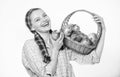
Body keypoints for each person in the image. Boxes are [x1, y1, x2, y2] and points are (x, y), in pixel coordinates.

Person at [22, 8, 106, 77]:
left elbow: (94, 58)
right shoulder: (30, 45)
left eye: (44, 15)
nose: (44, 19)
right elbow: (45, 75)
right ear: (32, 28)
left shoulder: (61, 40)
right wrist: (55, 50)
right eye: (37, 20)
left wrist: (103, 30)